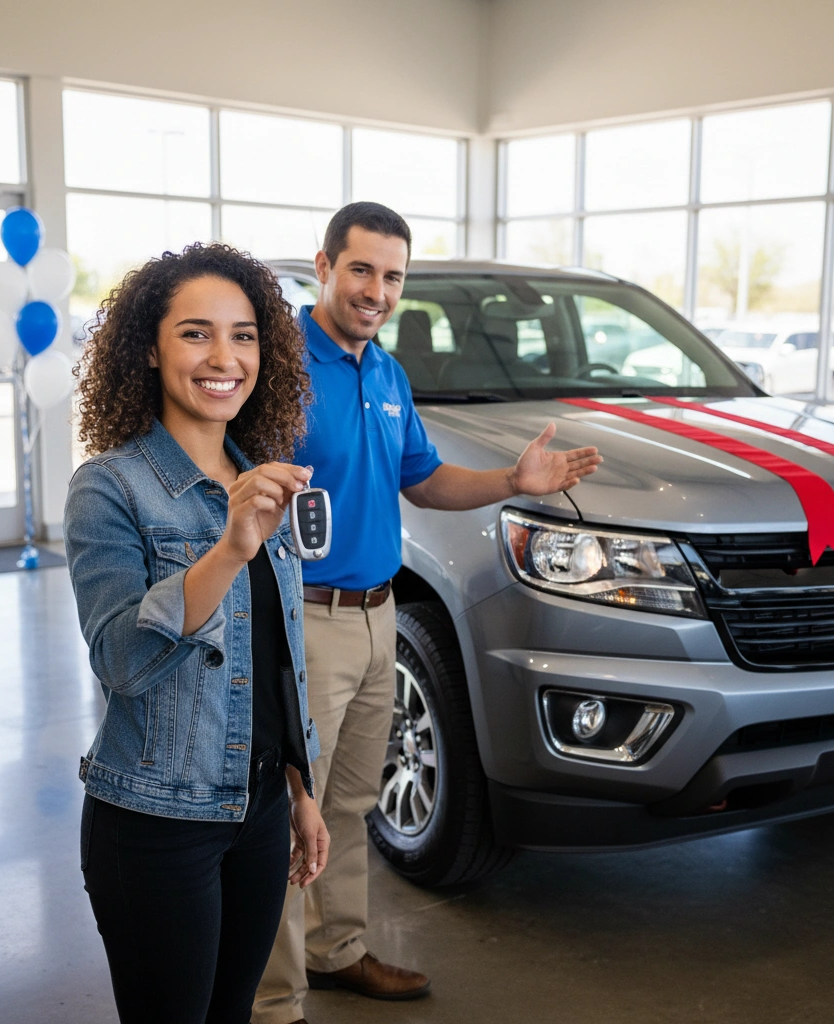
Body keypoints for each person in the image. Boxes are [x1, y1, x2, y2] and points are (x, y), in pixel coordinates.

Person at [251, 203, 602, 1024]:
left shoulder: (387, 372)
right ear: (325, 266)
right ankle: (273, 1001)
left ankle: (337, 952)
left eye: (393, 275)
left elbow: (425, 479)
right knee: (284, 814)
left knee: (348, 805)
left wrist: (514, 483)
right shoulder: (280, 370)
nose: (377, 290)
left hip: (379, 617)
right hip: (305, 620)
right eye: (362, 270)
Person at [65, 243, 330, 1024]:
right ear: (149, 348)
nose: (225, 357)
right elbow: (120, 657)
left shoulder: (258, 472)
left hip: (256, 812)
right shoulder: (108, 487)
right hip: (155, 821)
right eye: (196, 333)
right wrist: (228, 550)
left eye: (244, 335)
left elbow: (276, 657)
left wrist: (298, 788)